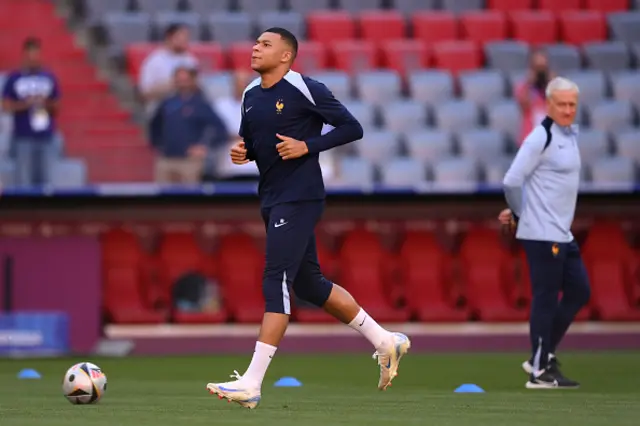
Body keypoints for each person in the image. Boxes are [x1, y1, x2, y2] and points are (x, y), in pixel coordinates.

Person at [205, 28, 410, 408]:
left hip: (300, 197)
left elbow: (353, 127)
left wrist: (308, 146)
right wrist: (243, 152)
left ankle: (252, 382)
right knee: (311, 285)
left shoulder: (305, 87)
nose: (255, 47)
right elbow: (252, 141)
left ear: (286, 56)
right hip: (271, 197)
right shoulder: (250, 95)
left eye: (265, 44)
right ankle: (385, 340)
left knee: (275, 279)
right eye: (255, 42)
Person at [500, 77, 590, 389]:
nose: (567, 110)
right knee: (546, 297)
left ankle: (543, 354)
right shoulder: (542, 136)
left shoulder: (568, 135)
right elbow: (512, 181)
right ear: (549, 104)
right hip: (541, 233)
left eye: (572, 105)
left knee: (580, 290)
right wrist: (519, 212)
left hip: (561, 232)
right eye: (561, 104)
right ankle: (539, 371)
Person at [149, 66, 228, 184]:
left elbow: (220, 129)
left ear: (192, 81)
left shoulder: (201, 104)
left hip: (189, 161)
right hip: (166, 159)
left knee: (187, 198)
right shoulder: (167, 103)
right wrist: (159, 145)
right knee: (162, 197)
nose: (182, 83)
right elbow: (154, 126)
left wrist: (204, 146)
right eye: (178, 80)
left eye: (185, 80)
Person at [1, 37, 60, 187]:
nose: (33, 58)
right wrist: (27, 104)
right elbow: (6, 106)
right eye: (30, 55)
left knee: (45, 181)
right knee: (23, 181)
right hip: (23, 137)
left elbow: (57, 106)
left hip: (45, 137)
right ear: (24, 55)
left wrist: (43, 103)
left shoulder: (49, 78)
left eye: (36, 54)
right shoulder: (14, 78)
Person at [138, 23, 198, 115]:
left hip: (187, 109)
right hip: (161, 109)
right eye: (181, 37)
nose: (185, 40)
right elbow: (144, 94)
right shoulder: (154, 61)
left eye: (187, 37)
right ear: (170, 37)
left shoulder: (190, 60)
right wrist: (172, 85)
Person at [514, 49, 554, 145]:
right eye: (537, 67)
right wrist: (529, 83)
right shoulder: (523, 86)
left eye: (543, 67)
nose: (540, 72)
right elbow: (524, 105)